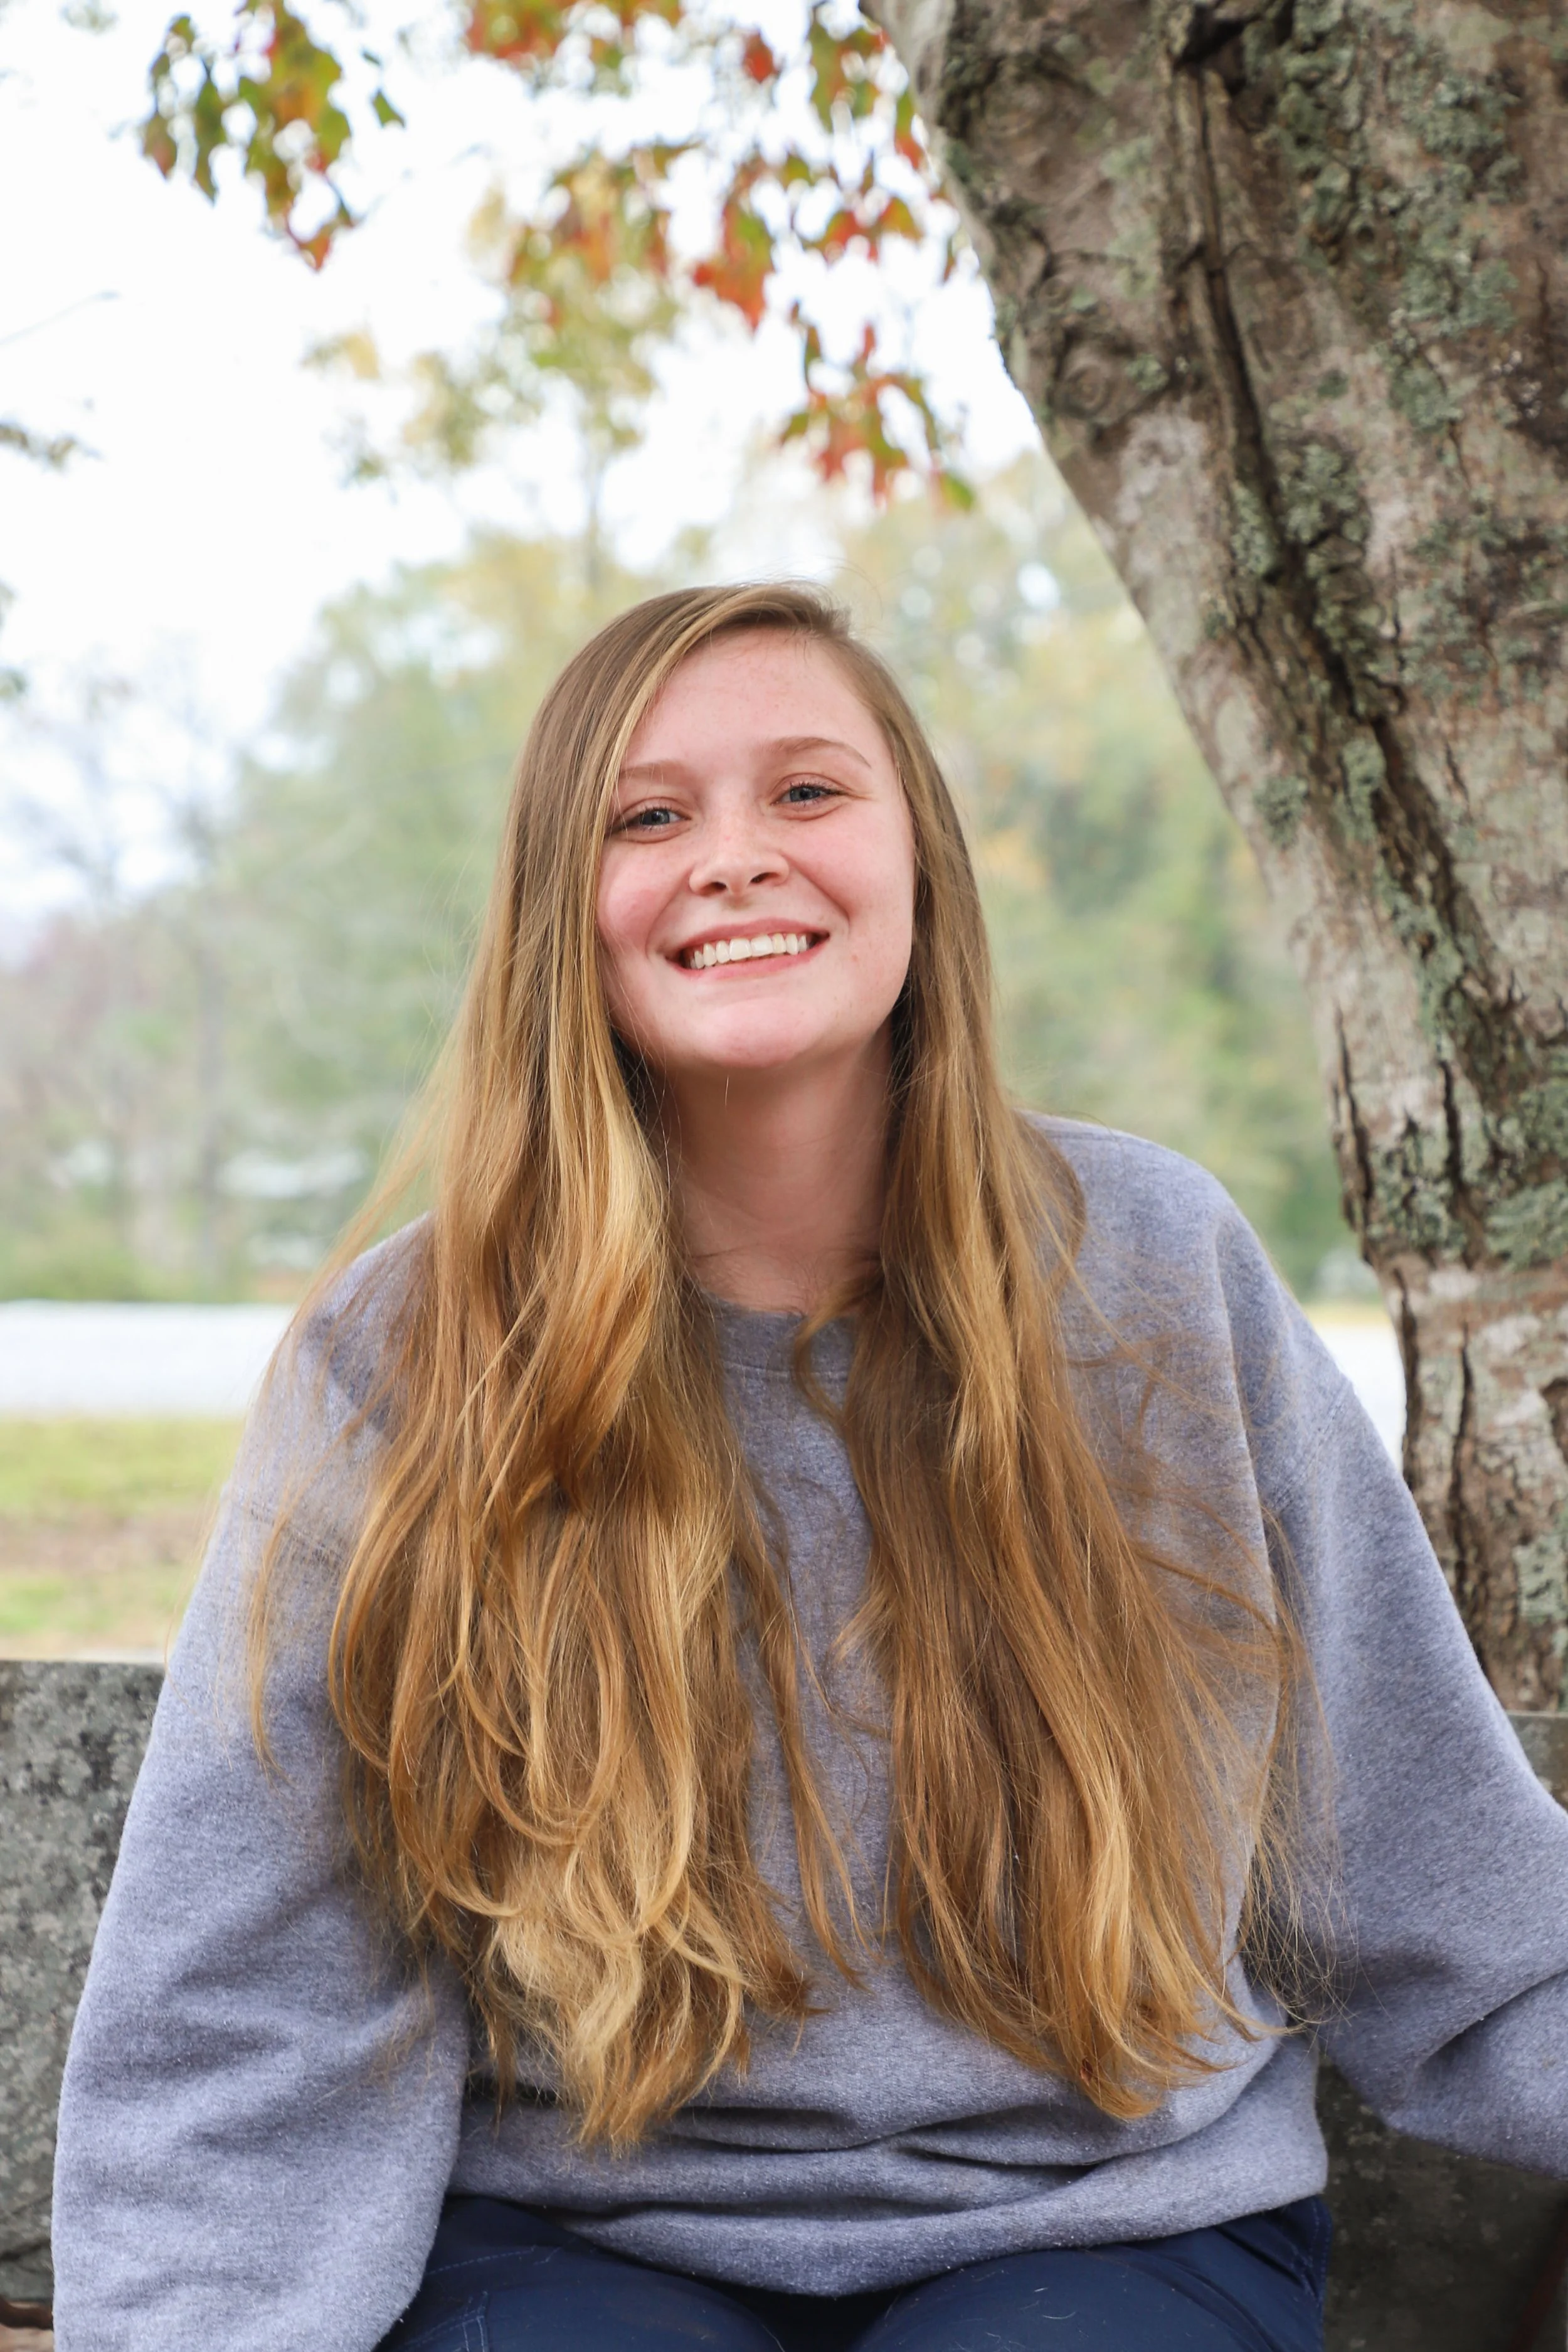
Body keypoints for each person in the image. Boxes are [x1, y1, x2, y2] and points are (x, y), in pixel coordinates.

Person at [50, 585, 1568, 2352]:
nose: (732, 858)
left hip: (1098, 2229)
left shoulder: (1154, 1273)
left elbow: (1434, 1873)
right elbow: (244, 2001)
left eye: (806, 792)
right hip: (574, 2235)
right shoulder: (405, 1359)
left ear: (919, 859)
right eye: (648, 814)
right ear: (566, 906)